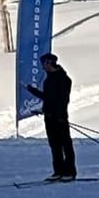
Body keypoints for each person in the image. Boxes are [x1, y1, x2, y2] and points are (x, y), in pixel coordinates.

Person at [25, 51, 76, 180]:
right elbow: (48, 98)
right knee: (54, 145)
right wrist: (34, 92)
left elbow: (62, 99)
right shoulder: (49, 79)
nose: (43, 66)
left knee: (65, 144)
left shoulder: (63, 79)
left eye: (44, 63)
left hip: (59, 117)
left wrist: (58, 114)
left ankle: (69, 172)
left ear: (50, 63)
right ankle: (58, 172)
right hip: (49, 116)